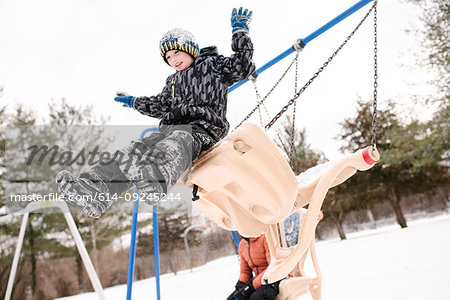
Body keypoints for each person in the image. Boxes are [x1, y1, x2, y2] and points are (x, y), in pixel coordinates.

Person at [56, 7, 255, 218]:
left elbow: (242, 66)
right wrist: (135, 102)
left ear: (190, 48)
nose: (173, 59)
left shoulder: (213, 65)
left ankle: (156, 180)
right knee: (133, 151)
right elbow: (160, 105)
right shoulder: (173, 81)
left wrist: (240, 32)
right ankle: (95, 190)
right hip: (170, 131)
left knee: (179, 139)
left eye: (176, 52)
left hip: (203, 130)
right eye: (168, 57)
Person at [227, 234, 281, 300]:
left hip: (274, 278)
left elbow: (273, 267)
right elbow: (245, 272)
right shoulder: (242, 245)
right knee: (233, 298)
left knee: (256, 298)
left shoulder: (265, 238)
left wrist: (252, 286)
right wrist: (241, 284)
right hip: (258, 282)